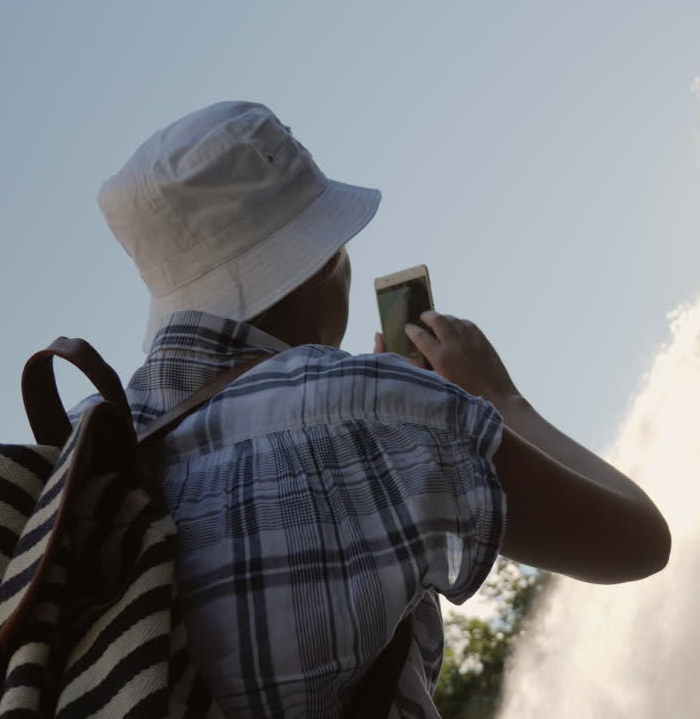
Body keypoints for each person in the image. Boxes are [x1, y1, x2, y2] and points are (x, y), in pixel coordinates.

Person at [92, 100, 670, 718]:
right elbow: (636, 541)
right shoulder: (371, 412)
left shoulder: (87, 438)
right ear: (321, 260)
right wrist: (498, 399)